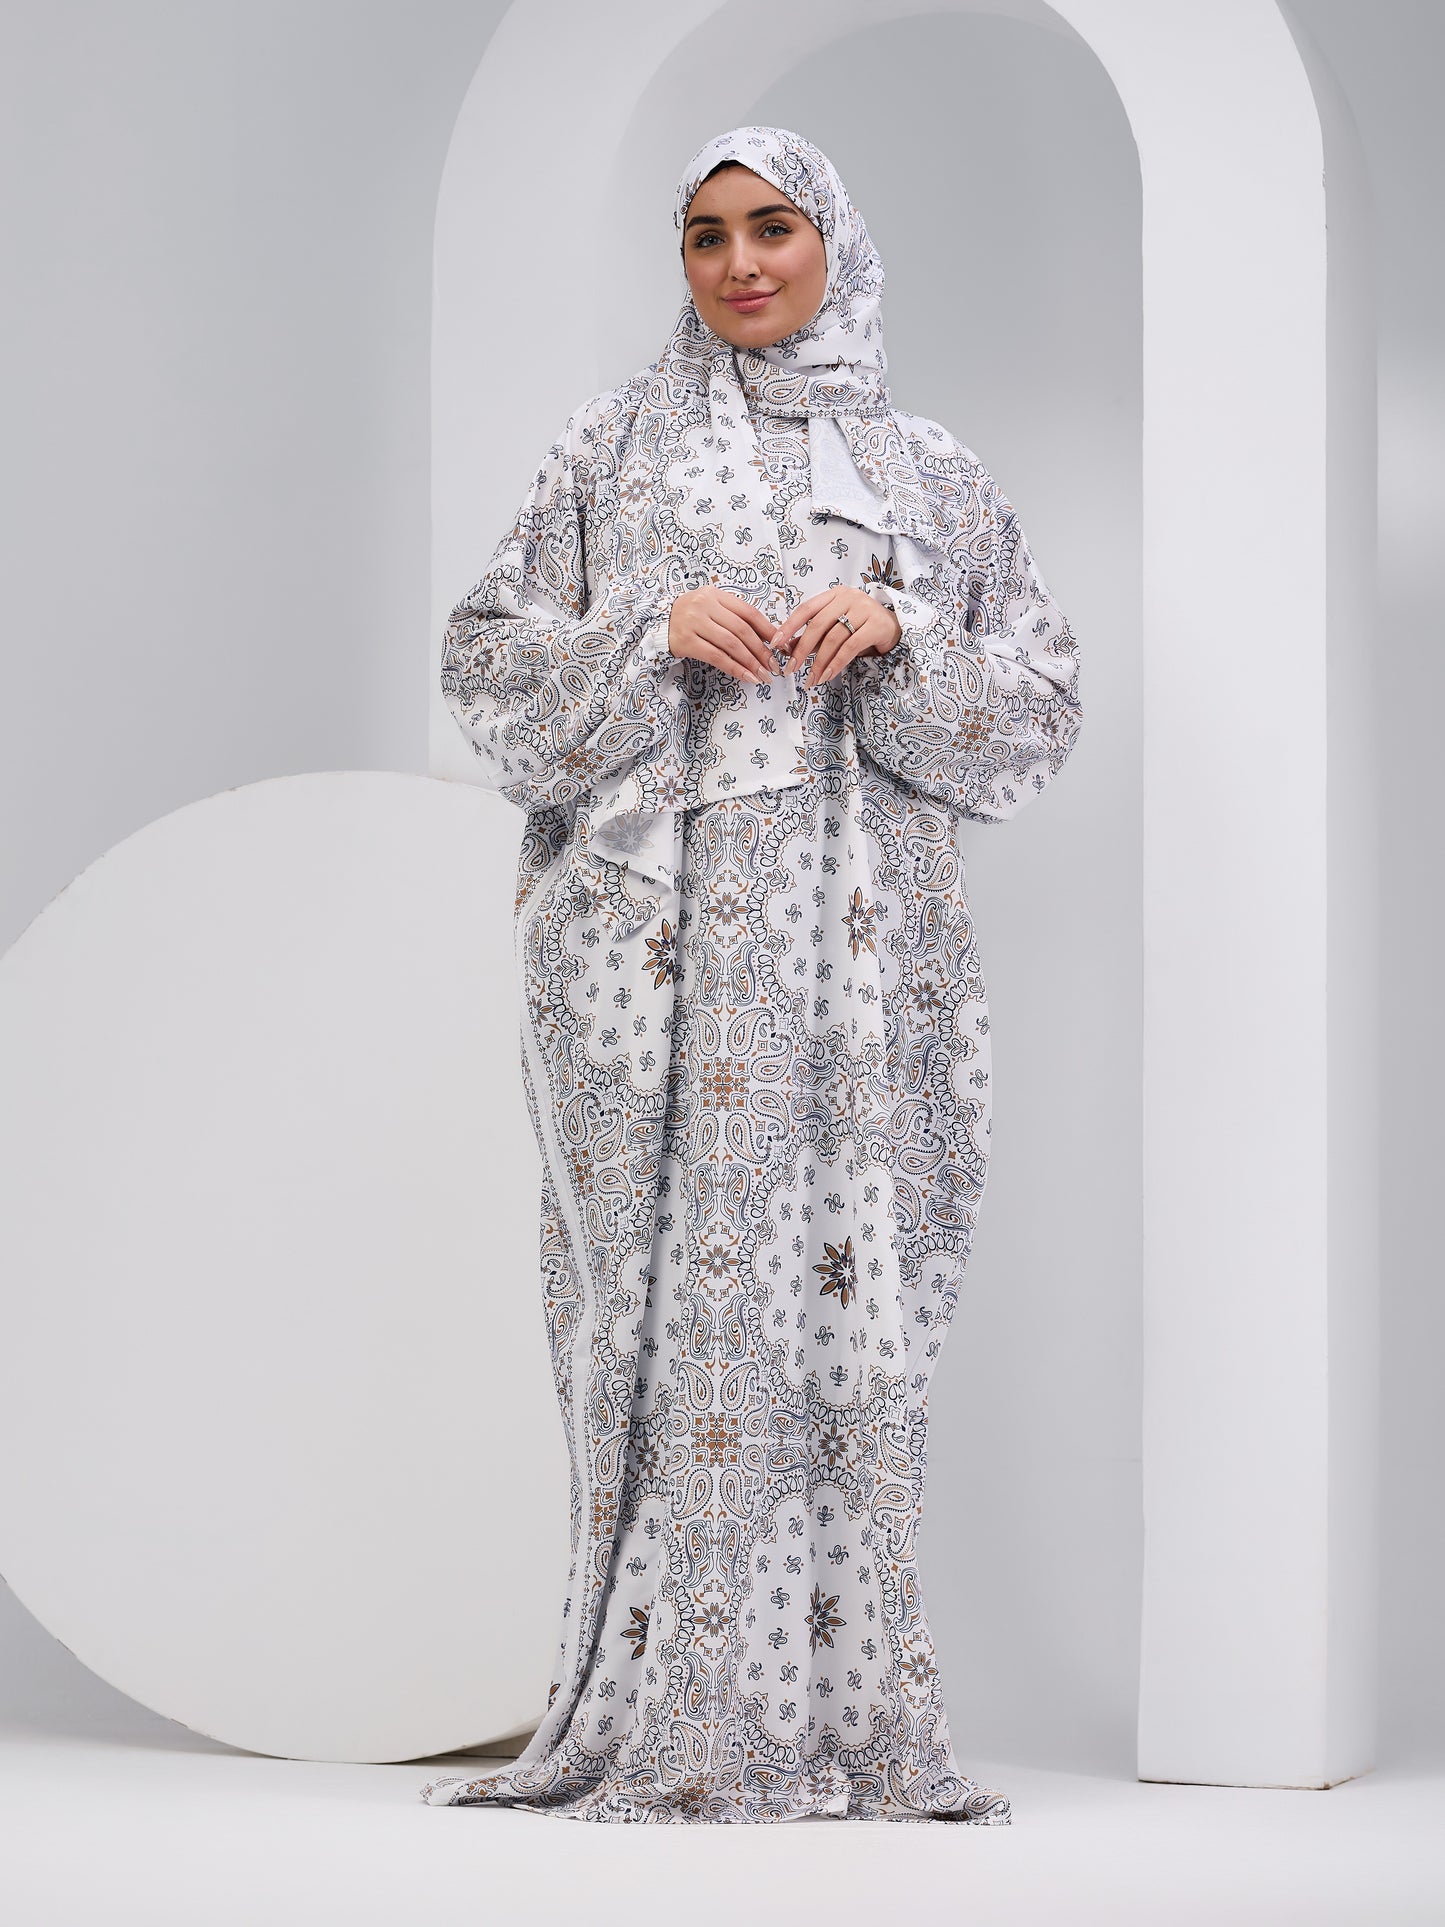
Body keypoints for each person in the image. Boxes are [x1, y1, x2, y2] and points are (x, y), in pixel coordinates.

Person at [420, 124, 1082, 1825]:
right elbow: (484, 668)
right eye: (704, 235)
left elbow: (1038, 717)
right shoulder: (608, 448)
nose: (737, 265)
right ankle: (654, 1711)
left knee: (859, 1313)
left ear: (832, 242)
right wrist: (647, 633)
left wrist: (905, 633)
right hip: (644, 966)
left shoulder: (932, 473)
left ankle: (836, 1716)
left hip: (861, 967)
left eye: (771, 228)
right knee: (646, 1318)